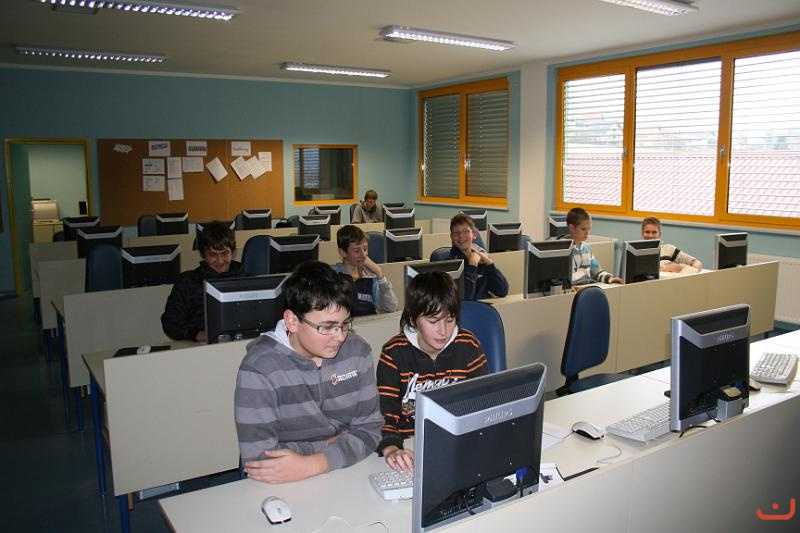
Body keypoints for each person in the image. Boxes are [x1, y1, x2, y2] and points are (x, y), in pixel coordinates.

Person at [235, 261, 383, 484]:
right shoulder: (260, 369)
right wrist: (327, 445)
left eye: (345, 324)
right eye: (327, 327)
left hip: (341, 470)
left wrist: (315, 462)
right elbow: (260, 459)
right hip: (284, 481)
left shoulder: (357, 351)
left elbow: (371, 429)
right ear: (292, 321)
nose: (341, 336)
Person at [376, 271, 489, 472]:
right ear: (413, 319)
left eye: (450, 320)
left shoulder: (468, 345)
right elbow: (386, 412)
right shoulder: (394, 354)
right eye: (433, 321)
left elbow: (484, 400)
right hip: (409, 444)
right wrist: (391, 447)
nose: (443, 331)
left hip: (458, 440)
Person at [161, 220, 248, 342]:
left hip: (240, 342)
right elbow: (170, 322)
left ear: (232, 252)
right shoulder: (187, 282)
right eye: (213, 254)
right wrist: (197, 334)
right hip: (199, 345)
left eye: (225, 253)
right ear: (203, 254)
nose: (220, 261)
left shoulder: (246, 279)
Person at [333, 225, 398, 316]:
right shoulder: (333, 276)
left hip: (369, 323)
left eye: (365, 249)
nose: (363, 255)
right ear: (342, 252)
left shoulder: (371, 276)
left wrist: (379, 273)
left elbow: (391, 307)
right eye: (357, 251)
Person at [448, 213, 509, 300]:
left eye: (466, 231)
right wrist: (472, 265)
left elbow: (502, 291)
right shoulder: (451, 263)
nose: (461, 236)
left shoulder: (481, 258)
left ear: (474, 234)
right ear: (451, 237)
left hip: (484, 305)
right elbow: (465, 299)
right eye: (456, 233)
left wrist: (490, 264)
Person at [563, 207, 622, 285]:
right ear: (572, 228)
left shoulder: (586, 248)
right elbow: (565, 281)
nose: (587, 233)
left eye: (589, 229)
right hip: (575, 290)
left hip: (586, 288)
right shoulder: (564, 251)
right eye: (583, 229)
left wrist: (610, 278)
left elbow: (596, 272)